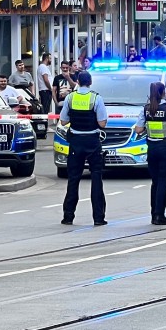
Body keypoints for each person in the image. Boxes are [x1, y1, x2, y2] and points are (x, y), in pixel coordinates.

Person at [58, 70, 108, 226]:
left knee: (73, 179)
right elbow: (102, 123)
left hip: (76, 142)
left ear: (77, 82)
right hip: (92, 141)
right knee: (96, 179)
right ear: (91, 82)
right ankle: (98, 218)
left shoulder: (70, 98)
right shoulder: (96, 98)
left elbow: (64, 121)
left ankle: (68, 216)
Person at [133, 81, 166, 225]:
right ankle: (159, 215)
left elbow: (138, 130)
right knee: (163, 182)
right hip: (165, 147)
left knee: (155, 182)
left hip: (152, 148)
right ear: (162, 93)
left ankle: (153, 214)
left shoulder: (146, 109)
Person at [35, 52, 53, 118]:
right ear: (47, 58)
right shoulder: (43, 67)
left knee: (45, 109)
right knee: (45, 109)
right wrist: (50, 89)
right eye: (50, 58)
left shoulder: (42, 67)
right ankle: (44, 124)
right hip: (46, 91)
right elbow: (46, 79)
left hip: (45, 90)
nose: (51, 60)